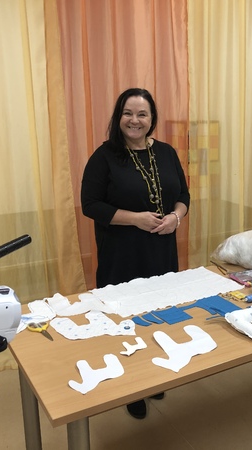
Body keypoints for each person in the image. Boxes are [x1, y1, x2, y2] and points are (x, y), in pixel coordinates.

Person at [81, 88, 190, 419]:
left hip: (161, 253)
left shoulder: (167, 152)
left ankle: (154, 376)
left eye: (142, 114)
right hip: (122, 257)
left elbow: (184, 195)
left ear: (151, 119)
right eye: (128, 113)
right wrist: (135, 219)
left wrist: (176, 217)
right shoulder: (104, 156)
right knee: (126, 323)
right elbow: (91, 205)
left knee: (157, 317)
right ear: (119, 117)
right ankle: (132, 388)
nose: (135, 120)